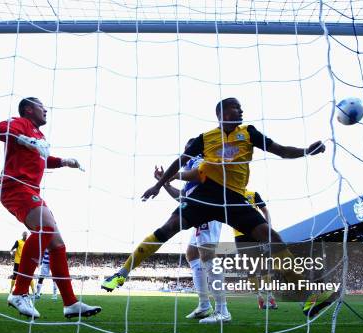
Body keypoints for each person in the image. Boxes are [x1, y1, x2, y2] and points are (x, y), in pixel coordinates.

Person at [102, 97, 330, 321]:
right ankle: (121, 274)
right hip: (205, 196)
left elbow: (280, 150)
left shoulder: (249, 132)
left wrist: (306, 151)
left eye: (241, 107)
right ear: (221, 113)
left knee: (271, 236)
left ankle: (307, 295)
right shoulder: (204, 139)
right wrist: (158, 185)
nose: (241, 111)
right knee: (168, 229)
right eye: (235, 107)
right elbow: (180, 161)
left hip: (233, 199)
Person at [0, 97, 101, 319]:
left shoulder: (38, 134)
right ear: (29, 109)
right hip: (15, 187)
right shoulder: (21, 123)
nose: (46, 110)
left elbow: (42, 158)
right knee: (45, 229)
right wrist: (24, 139)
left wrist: (63, 161)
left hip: (31, 191)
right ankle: (19, 292)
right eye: (41, 106)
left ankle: (70, 303)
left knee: (57, 244)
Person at [152, 142, 223, 323]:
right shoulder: (189, 170)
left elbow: (201, 175)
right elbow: (182, 198)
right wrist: (165, 183)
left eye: (188, 147)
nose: (185, 151)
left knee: (208, 255)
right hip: (199, 212)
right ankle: (204, 305)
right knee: (192, 253)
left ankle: (222, 310)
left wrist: (172, 175)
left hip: (209, 209)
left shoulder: (201, 160)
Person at [233, 191, 278, 310]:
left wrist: (268, 227)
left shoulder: (252, 193)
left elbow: (265, 210)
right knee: (249, 267)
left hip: (256, 231)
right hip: (240, 235)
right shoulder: (229, 193)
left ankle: (270, 297)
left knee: (263, 266)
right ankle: (259, 297)